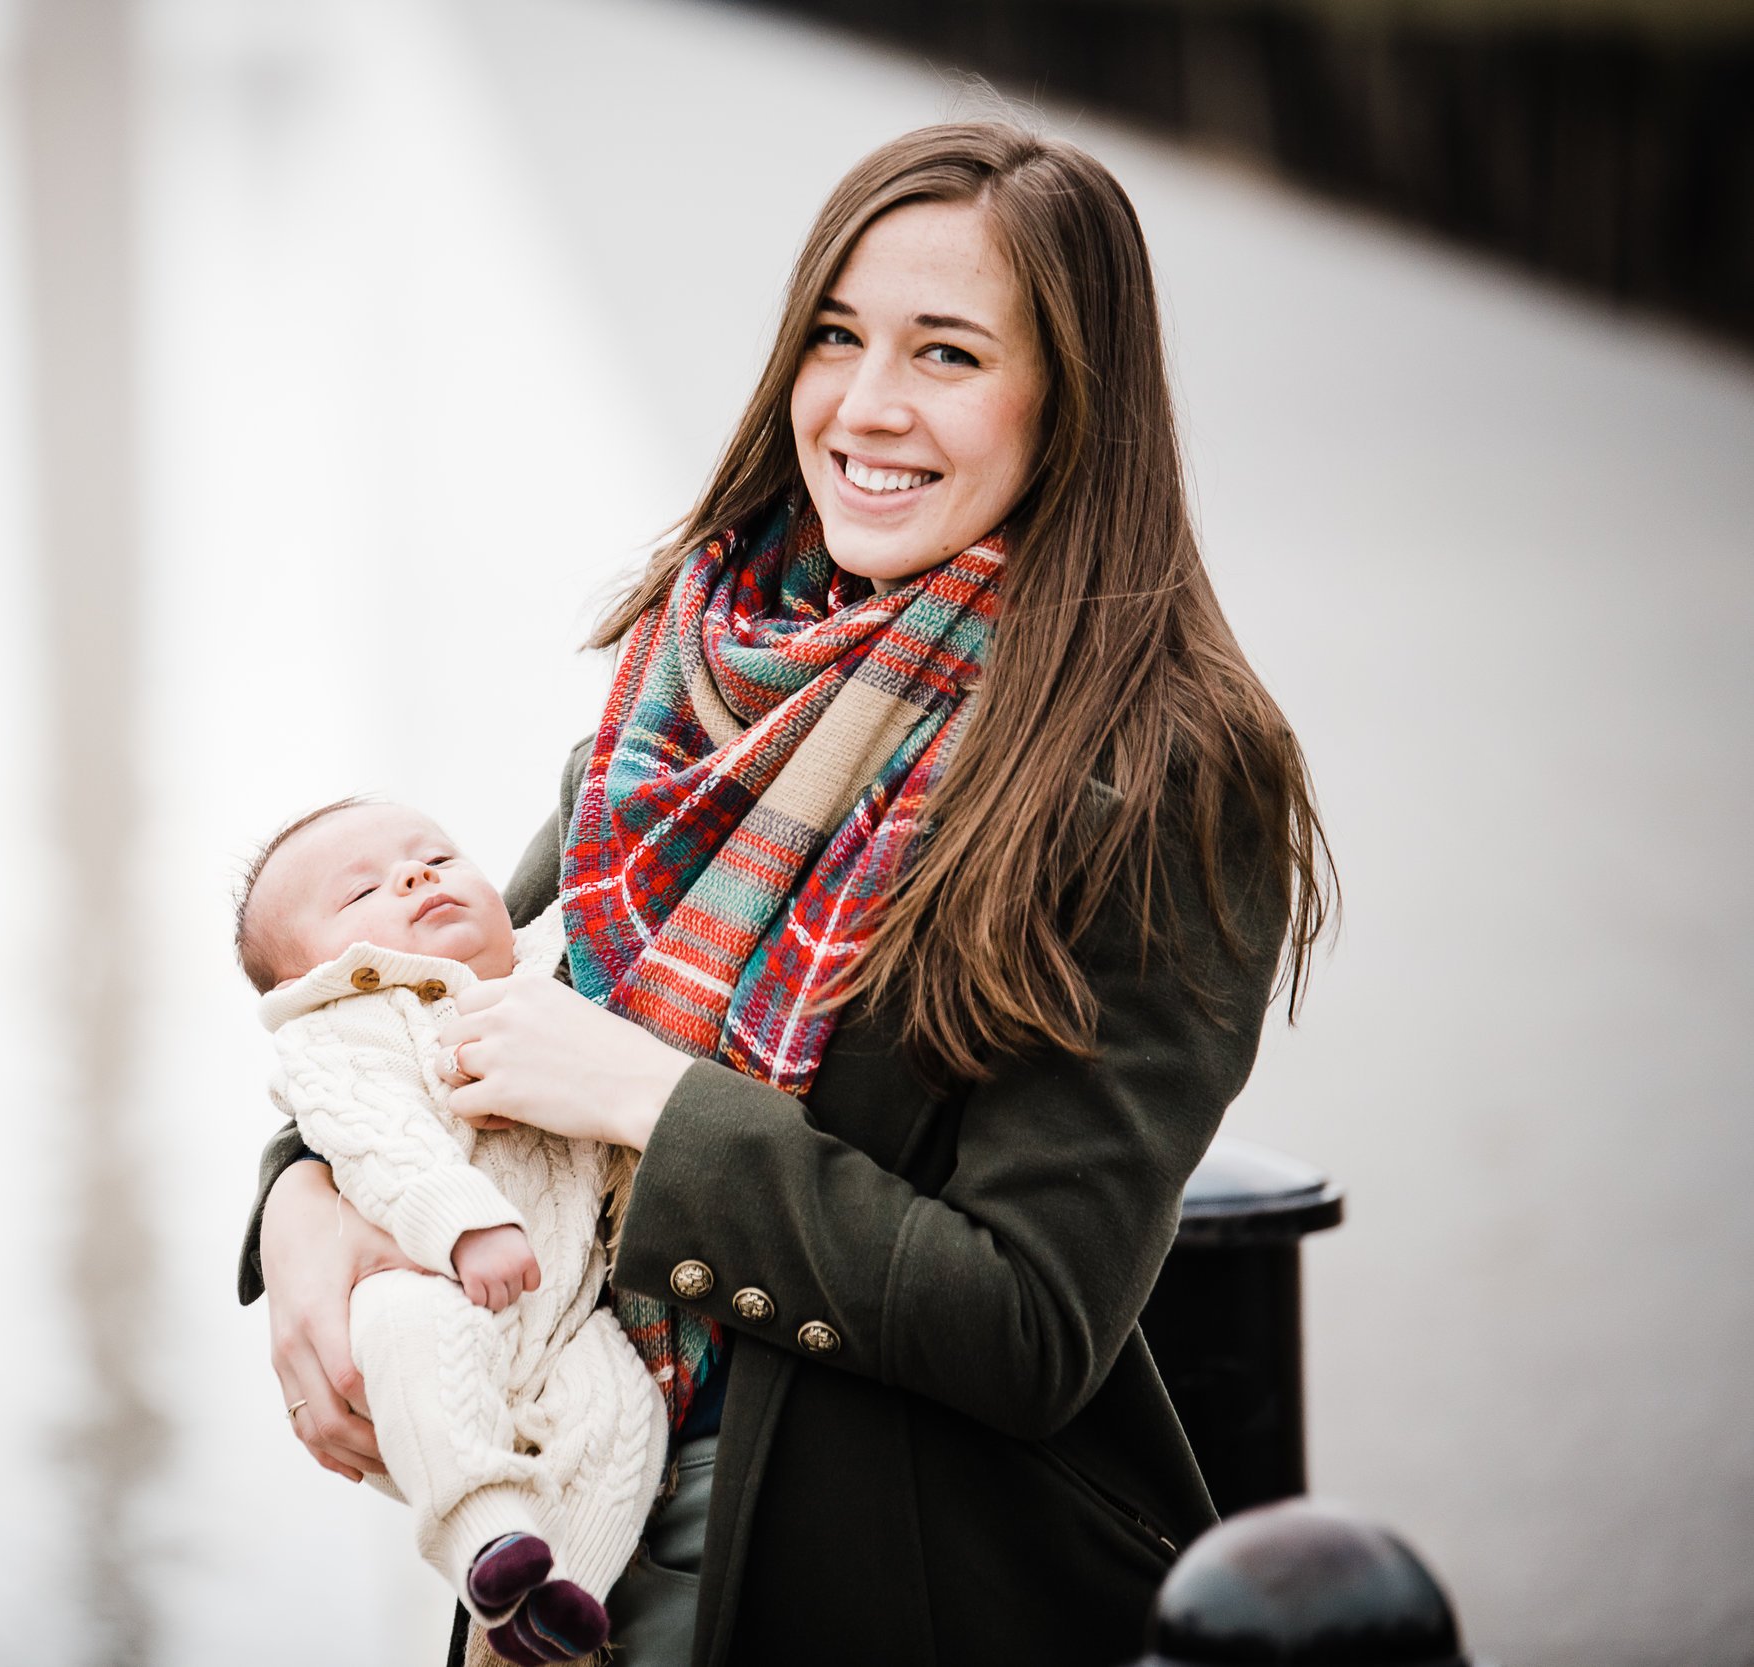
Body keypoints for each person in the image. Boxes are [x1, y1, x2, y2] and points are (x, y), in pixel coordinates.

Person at [237, 119, 1332, 1667]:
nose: (865, 407)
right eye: (836, 335)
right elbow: (436, 981)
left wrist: (659, 1106)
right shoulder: (692, 676)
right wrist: (298, 1195)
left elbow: (1030, 1326)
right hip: (568, 1536)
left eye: (947, 354)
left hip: (879, 1582)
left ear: (1072, 396)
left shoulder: (1156, 777)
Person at [237, 798, 665, 1665]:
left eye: (436, 854)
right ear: (313, 978)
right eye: (361, 892)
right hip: (433, 1275)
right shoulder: (344, 1031)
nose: (415, 874)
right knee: (406, 1332)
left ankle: (553, 1606)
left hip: (566, 1313)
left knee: (624, 1408)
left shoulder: (558, 958)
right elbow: (375, 1137)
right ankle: (483, 1532)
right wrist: (465, 1228)